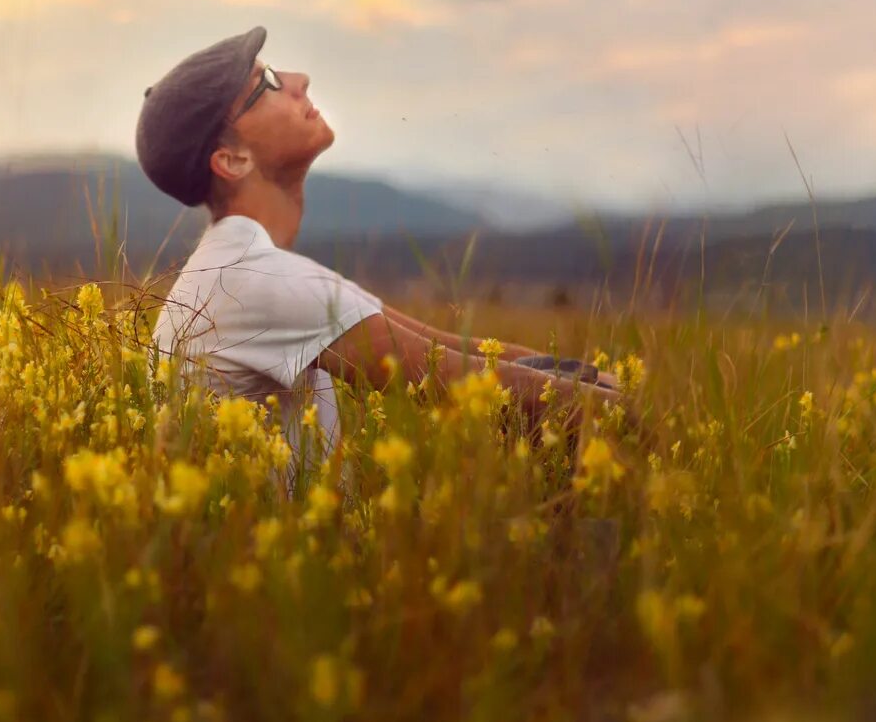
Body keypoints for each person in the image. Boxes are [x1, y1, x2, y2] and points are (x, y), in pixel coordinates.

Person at [134, 25, 617, 451]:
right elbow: (466, 381)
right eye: (270, 84)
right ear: (233, 160)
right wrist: (633, 408)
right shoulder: (255, 280)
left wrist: (591, 375)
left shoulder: (244, 266)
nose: (300, 80)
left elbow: (460, 347)